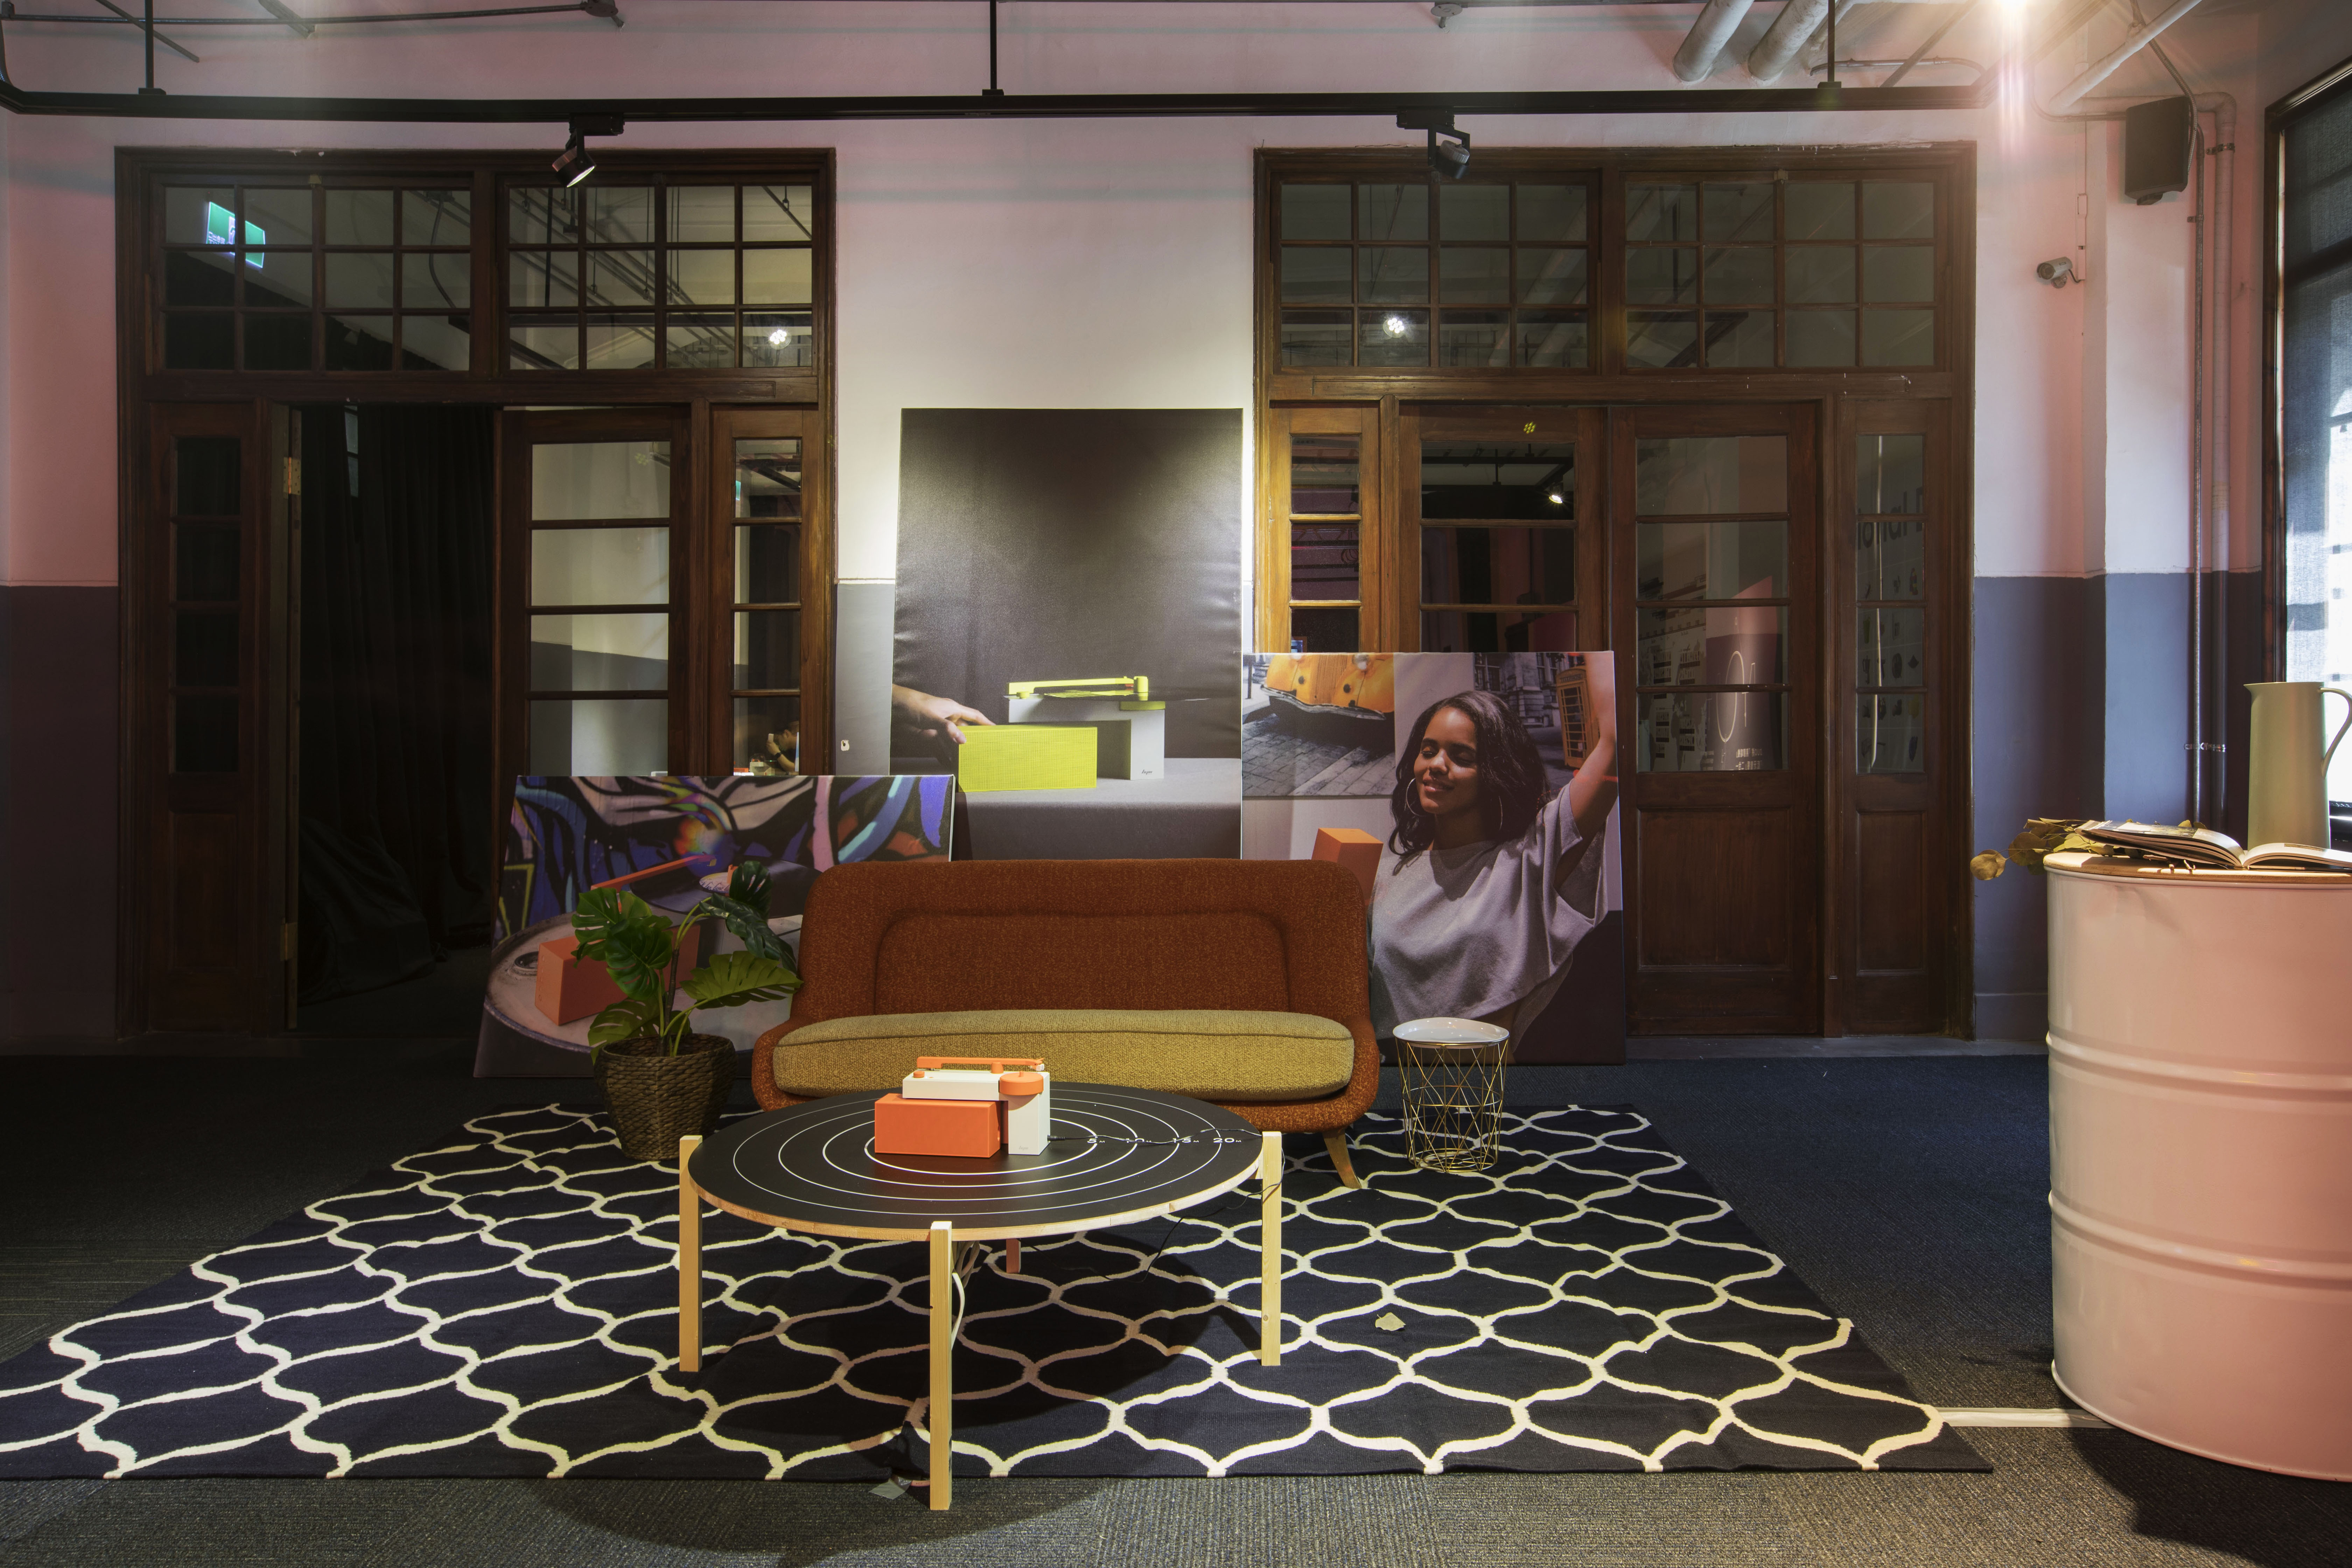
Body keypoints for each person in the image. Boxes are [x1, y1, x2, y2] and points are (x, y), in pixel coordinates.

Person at [1369, 660, 1618, 1044]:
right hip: (1392, 1073)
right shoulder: (1390, 872)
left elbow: (1613, 745)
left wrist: (1596, 646)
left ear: (1496, 771)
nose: (1436, 765)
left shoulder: (1527, 858)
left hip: (1488, 1077)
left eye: (1461, 757)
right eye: (1428, 751)